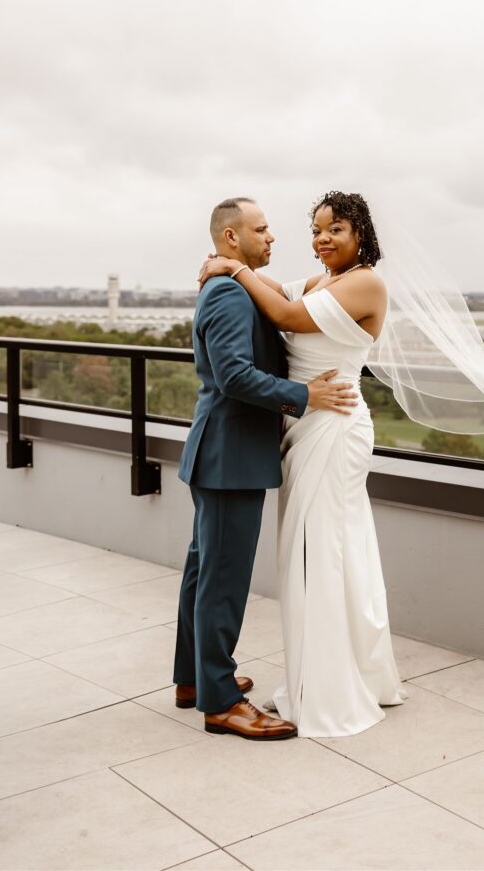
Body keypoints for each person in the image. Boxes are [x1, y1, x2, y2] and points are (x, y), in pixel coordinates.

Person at [198, 192, 409, 737]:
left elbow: (286, 315)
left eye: (335, 229)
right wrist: (238, 270)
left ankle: (330, 686)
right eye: (315, 230)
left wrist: (233, 266)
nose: (321, 240)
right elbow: (278, 293)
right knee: (325, 552)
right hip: (305, 427)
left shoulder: (367, 282)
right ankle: (348, 669)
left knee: (323, 554)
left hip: (333, 427)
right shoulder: (324, 282)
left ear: (361, 231)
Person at [173, 196, 359, 741]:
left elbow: (277, 311)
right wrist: (304, 394)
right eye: (262, 229)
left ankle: (195, 679)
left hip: (219, 453)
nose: (272, 236)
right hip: (231, 457)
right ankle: (222, 701)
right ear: (232, 238)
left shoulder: (234, 283)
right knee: (222, 581)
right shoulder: (230, 294)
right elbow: (232, 375)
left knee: (203, 571)